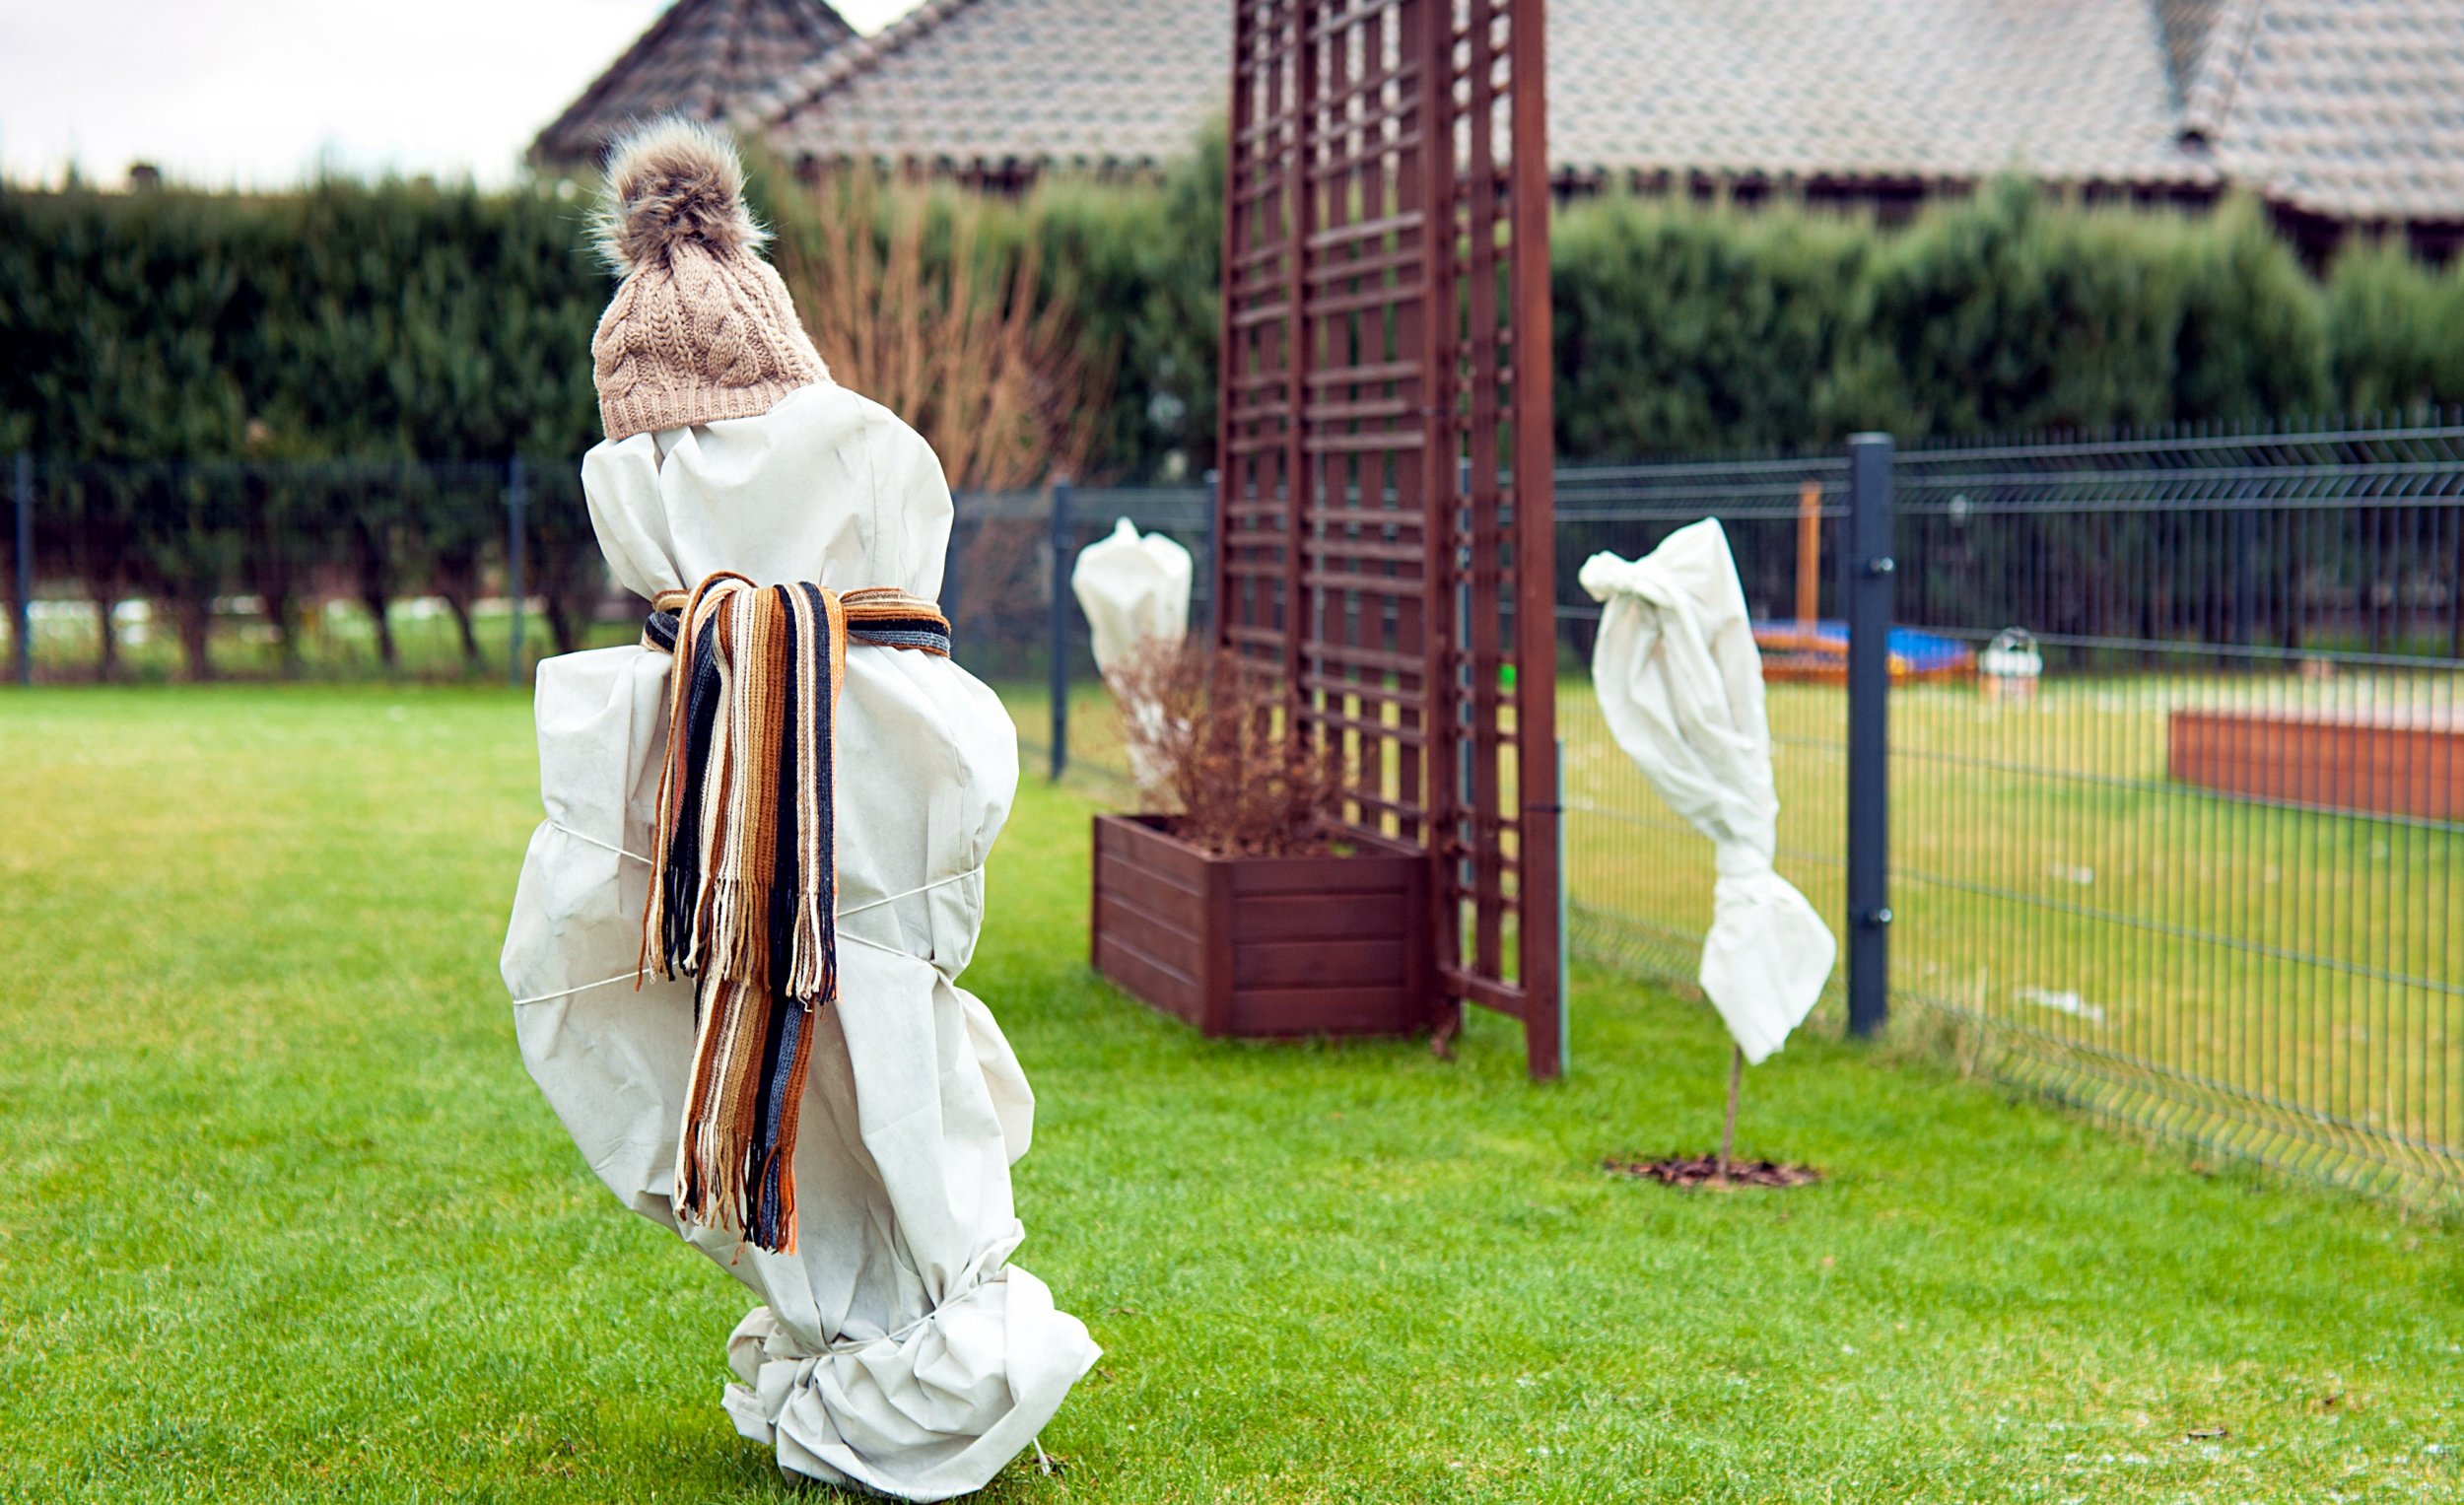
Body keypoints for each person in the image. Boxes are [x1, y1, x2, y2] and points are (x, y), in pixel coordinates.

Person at [500, 117, 1096, 1500]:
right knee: (860, 1061)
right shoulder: (831, 559)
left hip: (822, 778)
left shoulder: (760, 599)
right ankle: (870, 1327)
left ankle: (916, 1342)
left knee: (873, 1058)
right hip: (799, 759)